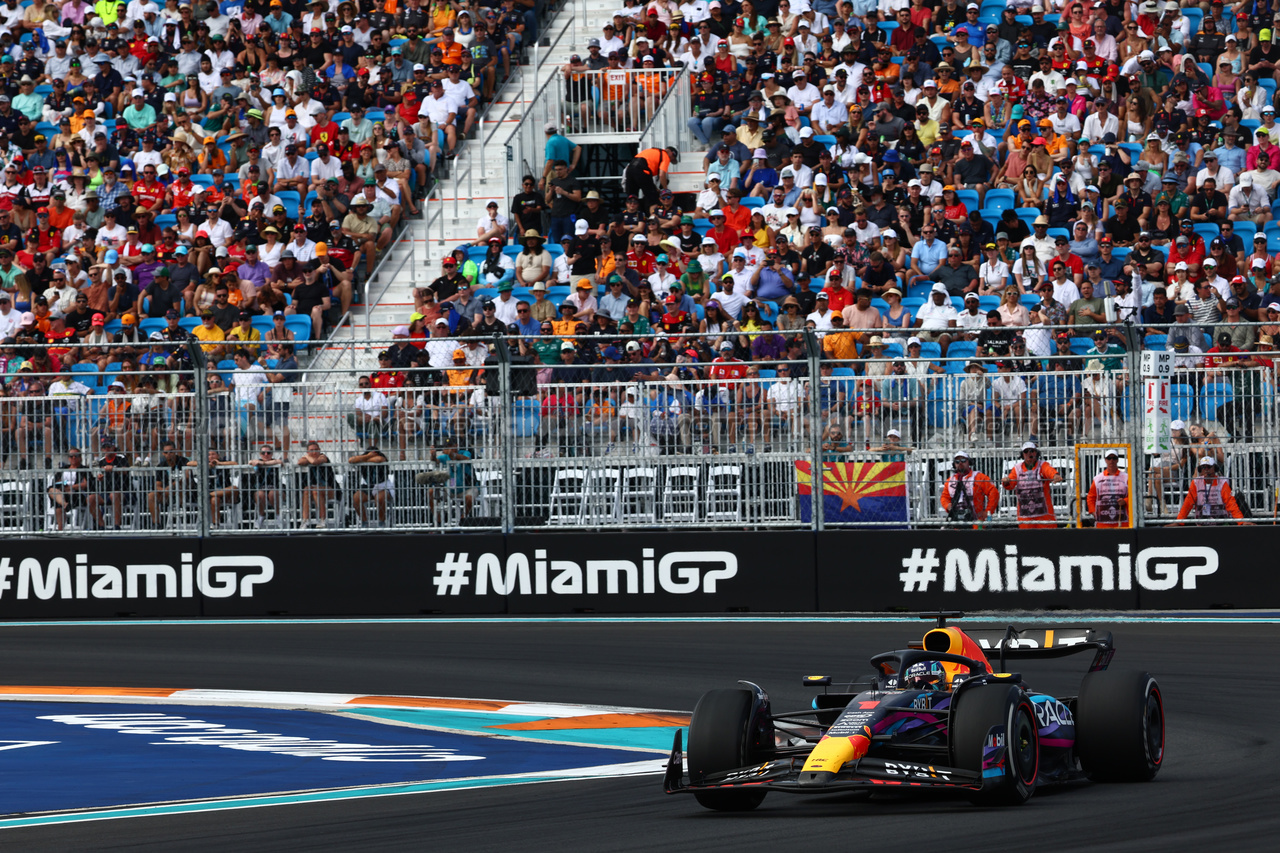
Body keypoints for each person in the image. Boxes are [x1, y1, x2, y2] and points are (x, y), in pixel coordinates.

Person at [1002, 441, 1061, 528]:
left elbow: (1049, 471)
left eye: (1032, 451)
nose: (1029, 454)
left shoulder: (1042, 465)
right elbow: (1010, 484)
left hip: (1044, 514)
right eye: (1026, 451)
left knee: (1049, 538)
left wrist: (1055, 475)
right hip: (1025, 514)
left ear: (1036, 453)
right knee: (1026, 539)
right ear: (1022, 455)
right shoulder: (1017, 469)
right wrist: (1006, 481)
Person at [1176, 456, 1247, 523]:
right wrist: (1179, 522)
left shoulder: (1222, 482)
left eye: (1209, 467)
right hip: (1201, 523)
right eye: (1203, 467)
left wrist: (1241, 522)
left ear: (1215, 468)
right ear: (1200, 470)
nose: (1206, 470)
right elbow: (1188, 503)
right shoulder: (1196, 483)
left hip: (1221, 523)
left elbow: (1230, 503)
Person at [940, 450, 999, 525]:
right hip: (956, 520)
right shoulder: (950, 480)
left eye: (963, 460)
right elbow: (944, 497)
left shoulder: (979, 477)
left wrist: (988, 512)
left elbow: (994, 493)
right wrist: (947, 505)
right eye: (957, 461)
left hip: (976, 521)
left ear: (969, 462)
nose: (960, 463)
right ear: (954, 464)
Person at [349, 443, 393, 527]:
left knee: (379, 498)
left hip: (382, 486)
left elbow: (378, 460)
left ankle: (381, 521)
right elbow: (351, 460)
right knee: (356, 498)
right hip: (368, 486)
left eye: (373, 454)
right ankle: (364, 521)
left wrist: (363, 459)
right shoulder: (366, 457)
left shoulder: (382, 458)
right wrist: (367, 456)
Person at [1088, 448, 1131, 528]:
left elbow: (1133, 496)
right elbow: (1091, 497)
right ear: (1105, 460)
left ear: (1117, 460)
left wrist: (1125, 501)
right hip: (1103, 522)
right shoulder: (1097, 478)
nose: (1112, 461)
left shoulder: (1126, 477)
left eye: (1114, 458)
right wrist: (1093, 511)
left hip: (1122, 521)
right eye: (1109, 458)